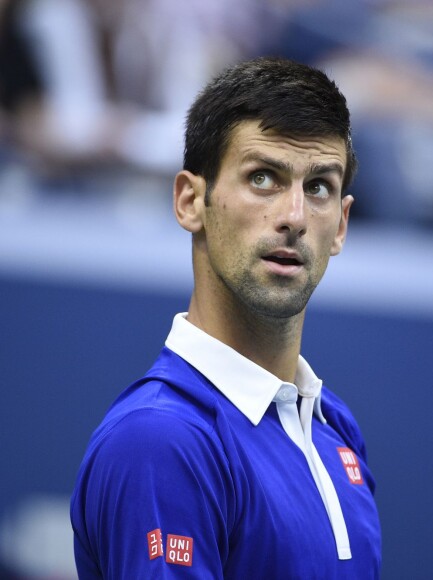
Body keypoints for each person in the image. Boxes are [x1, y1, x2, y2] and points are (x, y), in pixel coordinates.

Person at [70, 56, 382, 578]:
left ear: (342, 223)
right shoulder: (160, 441)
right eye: (263, 178)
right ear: (191, 200)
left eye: (319, 187)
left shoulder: (334, 425)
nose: (295, 218)